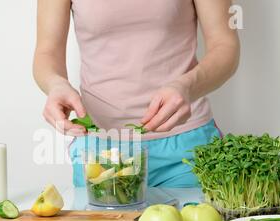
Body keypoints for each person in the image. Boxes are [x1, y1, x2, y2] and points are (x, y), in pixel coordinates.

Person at [33, 0, 240, 187]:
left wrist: (187, 86)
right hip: (100, 150)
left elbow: (225, 45)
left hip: (186, 147)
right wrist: (55, 84)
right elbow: (46, 52)